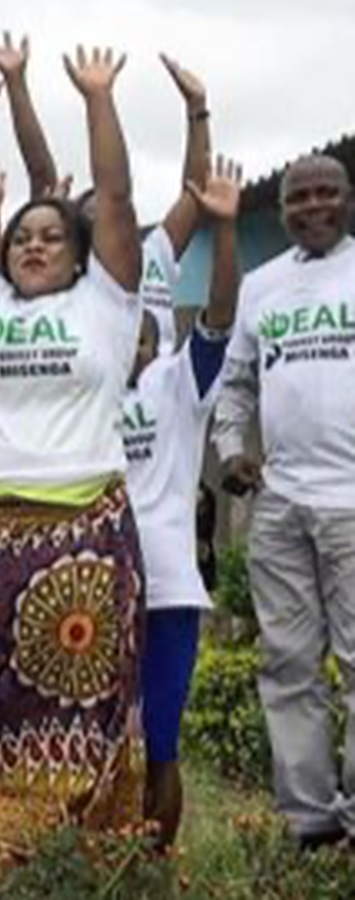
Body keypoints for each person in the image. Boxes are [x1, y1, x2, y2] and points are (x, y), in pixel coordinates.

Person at [0, 46, 145, 858]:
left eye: (52, 237)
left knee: (92, 700)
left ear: (79, 252)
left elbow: (117, 199)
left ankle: (92, 854)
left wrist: (98, 98)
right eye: (21, 236)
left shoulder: (107, 304)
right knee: (7, 703)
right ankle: (17, 846)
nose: (32, 245)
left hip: (90, 526)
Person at [213, 153, 355, 850]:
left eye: (327, 192)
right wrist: (230, 448)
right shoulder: (262, 286)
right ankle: (310, 822)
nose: (313, 205)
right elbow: (237, 383)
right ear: (283, 209)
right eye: (300, 197)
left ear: (349, 199)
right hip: (281, 502)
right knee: (289, 664)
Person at [122, 155, 241, 847]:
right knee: (103, 737)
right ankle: (94, 855)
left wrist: (223, 231)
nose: (130, 345)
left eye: (140, 334)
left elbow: (221, 315)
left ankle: (156, 861)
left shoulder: (177, 382)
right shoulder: (81, 397)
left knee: (160, 739)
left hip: (166, 585)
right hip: (94, 584)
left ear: (155, 334)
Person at [0, 32, 211, 352]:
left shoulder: (153, 253)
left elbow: (196, 194)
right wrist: (16, 85)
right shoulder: (66, 267)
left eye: (117, 216)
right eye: (94, 219)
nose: (110, 222)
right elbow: (40, 172)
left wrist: (197, 108)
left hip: (157, 379)